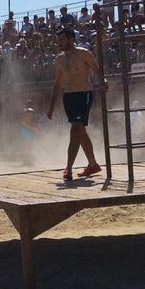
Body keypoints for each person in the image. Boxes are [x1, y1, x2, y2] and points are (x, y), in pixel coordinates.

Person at [46, 28, 105, 181]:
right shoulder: (59, 59)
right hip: (68, 97)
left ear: (71, 39)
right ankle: (93, 164)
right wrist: (51, 107)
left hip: (83, 95)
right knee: (80, 131)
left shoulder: (83, 53)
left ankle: (68, 168)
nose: (59, 43)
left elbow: (97, 70)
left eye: (62, 40)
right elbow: (58, 83)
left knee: (75, 129)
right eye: (58, 40)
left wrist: (103, 81)